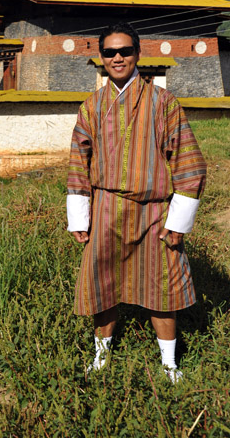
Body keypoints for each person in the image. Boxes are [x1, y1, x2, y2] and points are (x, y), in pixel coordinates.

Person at [67, 22, 206, 382]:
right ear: (101, 58)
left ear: (137, 54)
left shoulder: (164, 103)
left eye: (125, 51)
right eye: (110, 52)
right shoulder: (92, 106)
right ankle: (101, 359)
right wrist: (80, 217)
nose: (118, 58)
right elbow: (78, 163)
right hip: (106, 209)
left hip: (154, 212)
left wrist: (177, 223)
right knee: (103, 283)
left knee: (163, 285)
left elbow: (189, 164)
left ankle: (169, 365)